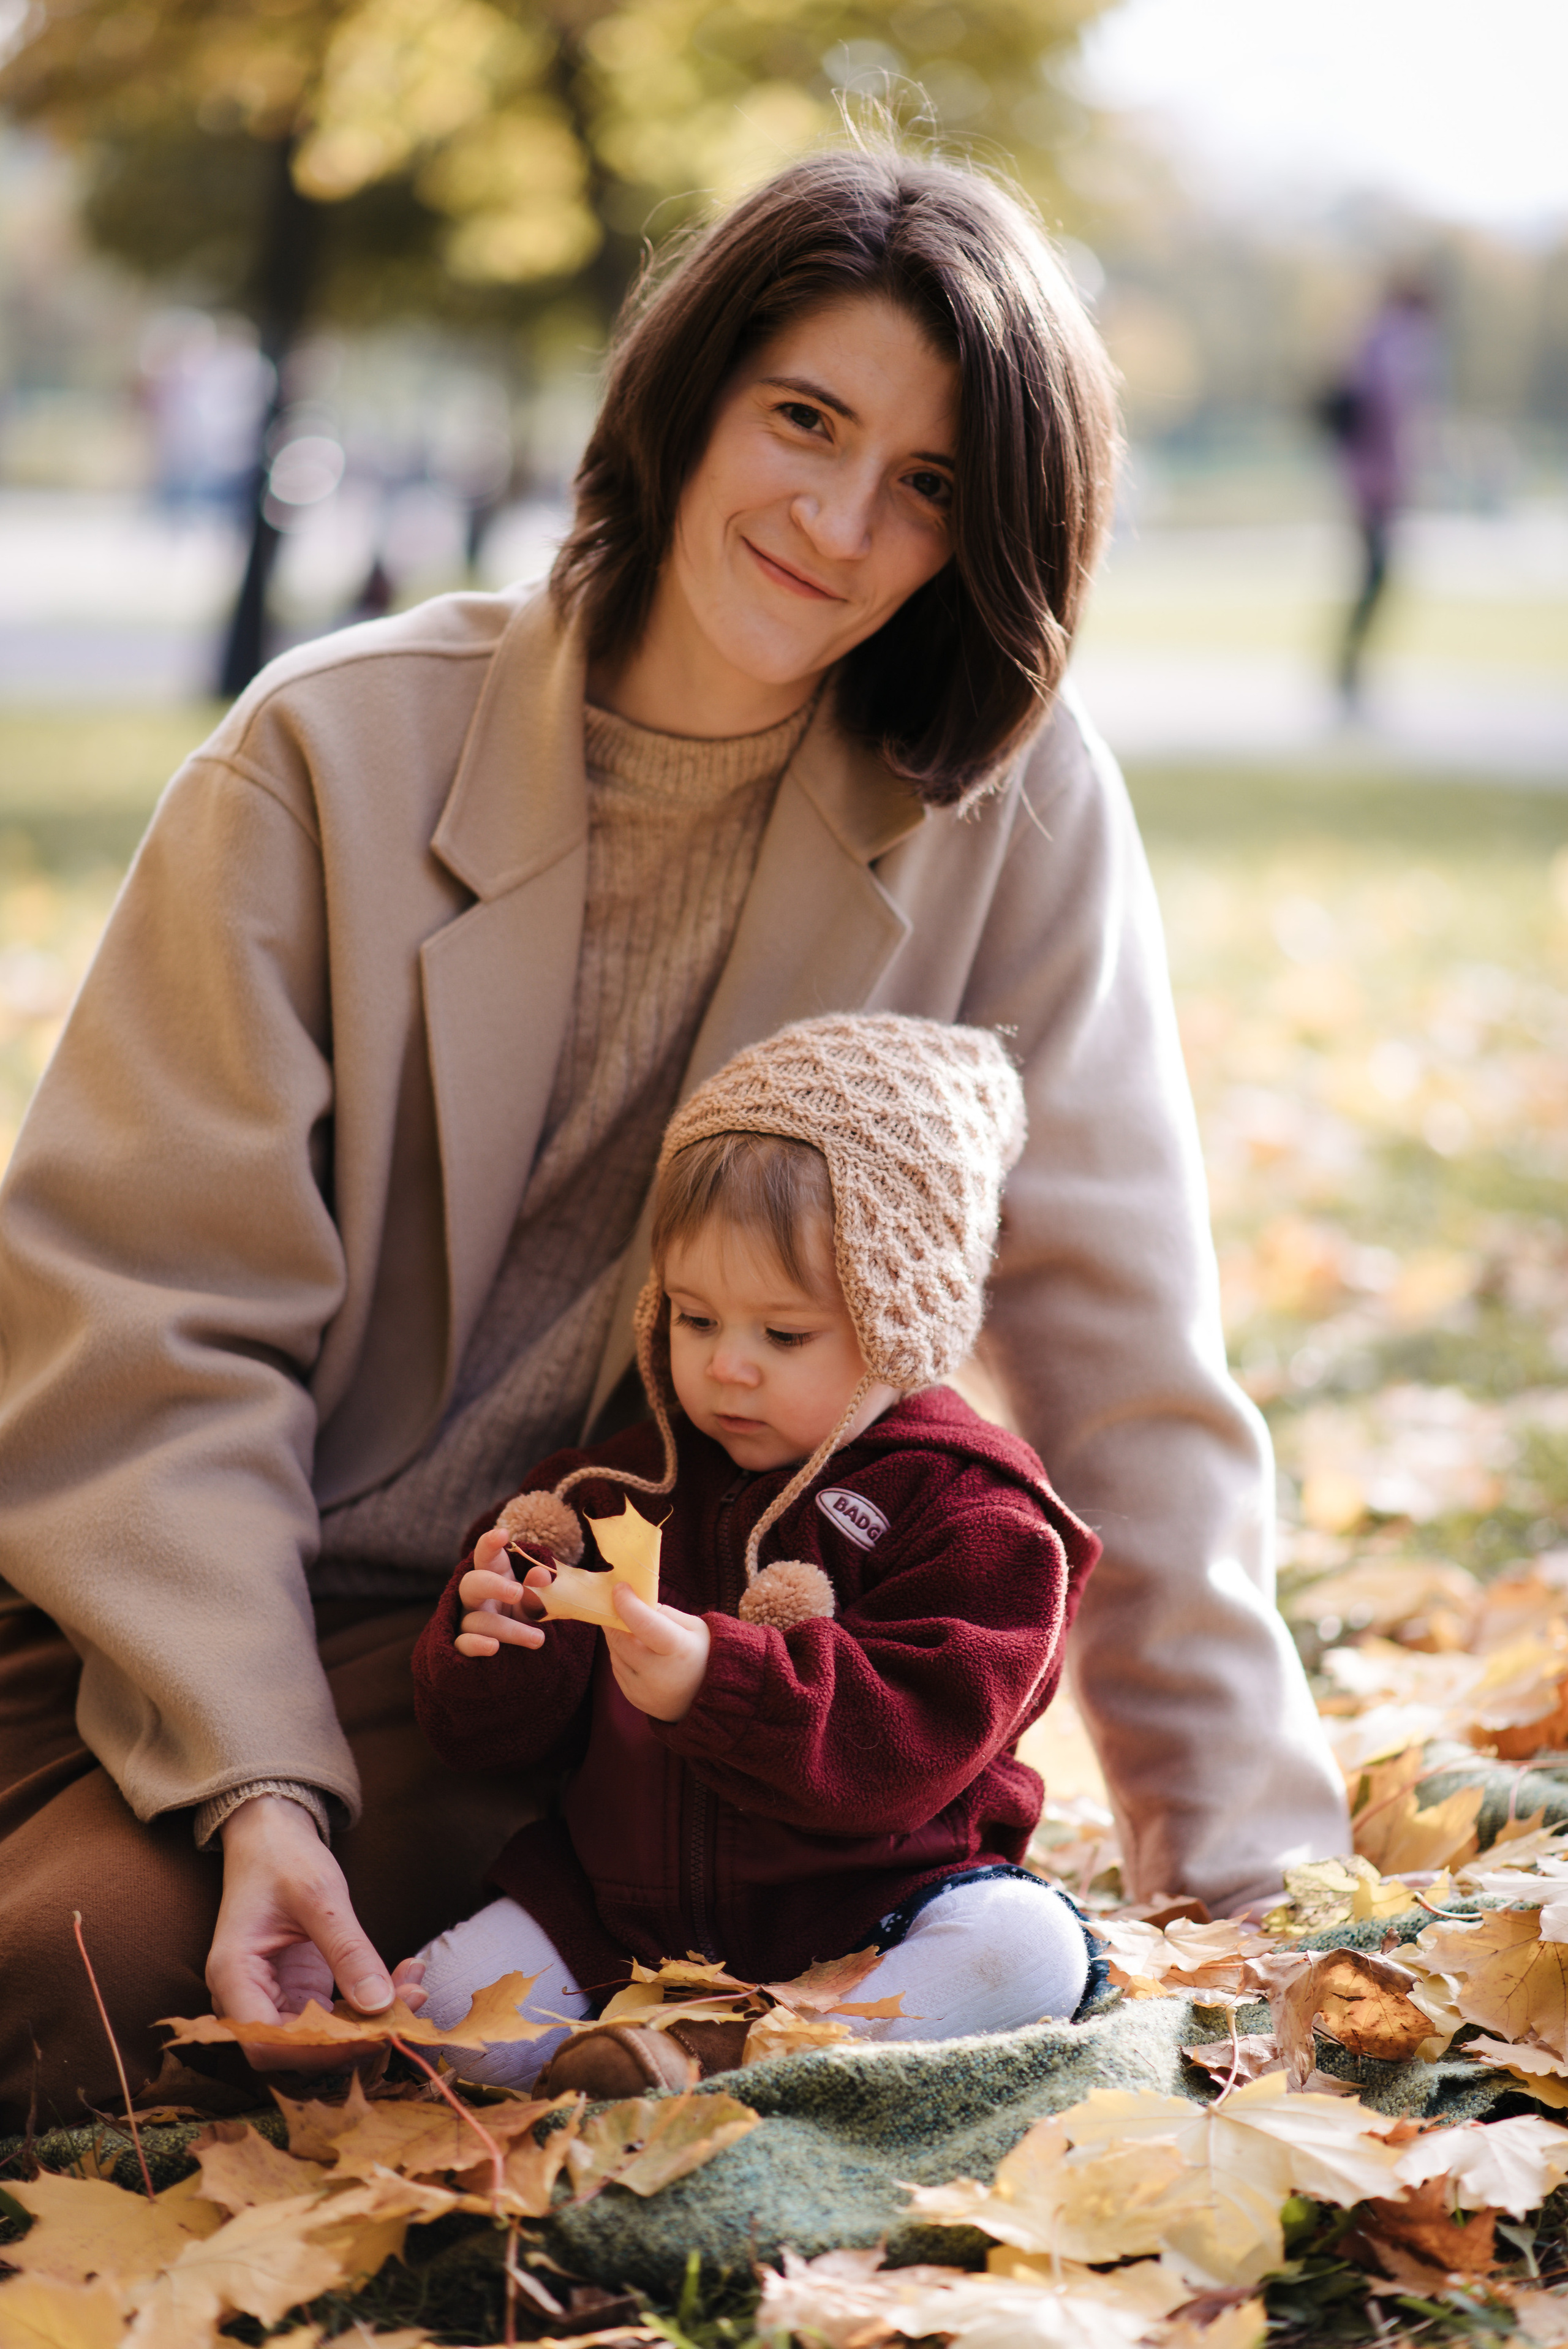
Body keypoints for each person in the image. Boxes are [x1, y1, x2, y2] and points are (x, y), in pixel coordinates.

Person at [0, 142, 1348, 2136]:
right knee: (82, 1969)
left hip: (624, 1666)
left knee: (91, 1978)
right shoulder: (326, 753)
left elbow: (1119, 1355)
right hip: (202, 1596)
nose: (834, 519)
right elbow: (148, 1322)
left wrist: (1254, 1893)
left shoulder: (1017, 810)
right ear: (692, 390)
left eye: (930, 486)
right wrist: (258, 1781)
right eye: (803, 418)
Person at [403, 1013, 1105, 2094]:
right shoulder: (614, 1489)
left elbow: (911, 1740)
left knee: (1028, 1948)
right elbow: (486, 1743)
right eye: (692, 1317)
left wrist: (720, 1680)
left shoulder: (974, 1510)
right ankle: (635, 2062)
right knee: (442, 2011)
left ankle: (766, 2058)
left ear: (901, 1317)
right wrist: (498, 1638)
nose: (726, 1367)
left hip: (880, 1907)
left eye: (783, 1334)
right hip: (621, 1914)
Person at [1324, 276, 1439, 711]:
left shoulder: (1372, 340)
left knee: (1372, 576)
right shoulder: (1398, 346)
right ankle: (1349, 670)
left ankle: (1351, 668)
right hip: (1376, 484)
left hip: (1362, 479)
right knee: (1376, 576)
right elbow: (1392, 420)